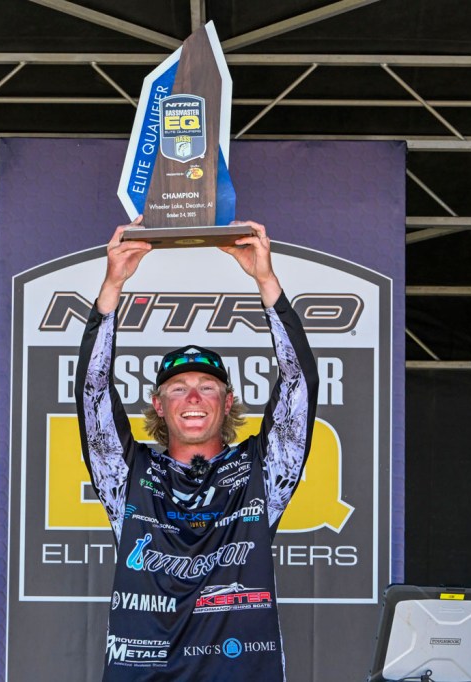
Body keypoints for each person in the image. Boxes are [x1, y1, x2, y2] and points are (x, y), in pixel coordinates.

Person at [75, 219, 319, 681]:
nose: (192, 397)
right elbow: (93, 392)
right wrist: (112, 287)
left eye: (207, 387)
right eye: (177, 388)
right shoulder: (126, 475)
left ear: (227, 402)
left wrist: (266, 280)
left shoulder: (261, 472)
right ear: (158, 404)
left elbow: (298, 386)